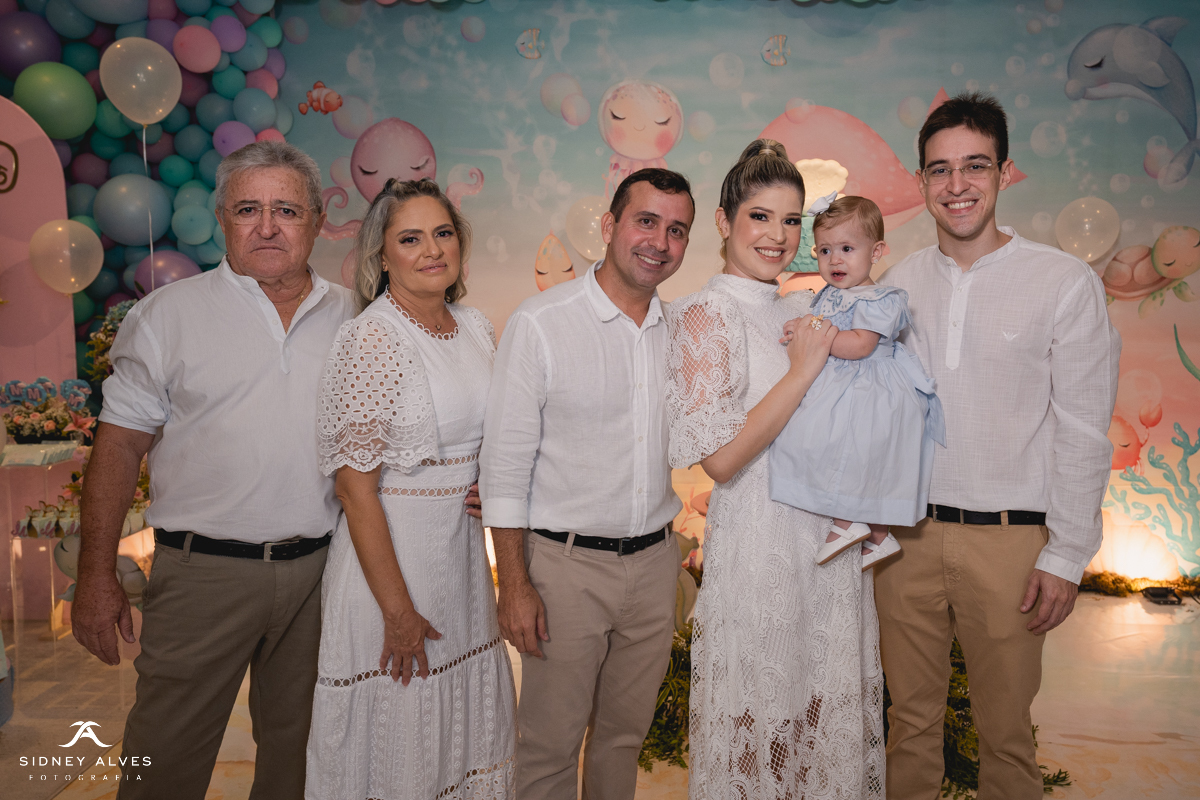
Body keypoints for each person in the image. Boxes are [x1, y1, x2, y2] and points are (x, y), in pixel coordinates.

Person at [71, 140, 356, 799]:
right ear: (222, 218)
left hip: (323, 575)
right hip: (201, 575)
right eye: (248, 209)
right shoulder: (167, 316)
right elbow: (118, 448)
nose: (267, 227)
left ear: (317, 220)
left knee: (303, 761)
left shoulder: (357, 314)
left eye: (287, 210)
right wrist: (95, 575)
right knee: (164, 760)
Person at [876, 93, 1120, 800]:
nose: (957, 185)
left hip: (1011, 544)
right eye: (940, 169)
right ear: (921, 181)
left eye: (975, 166)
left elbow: (1083, 428)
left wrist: (1066, 553)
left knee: (1007, 737)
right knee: (908, 726)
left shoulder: (1062, 281)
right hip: (907, 539)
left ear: (1004, 173)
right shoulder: (899, 285)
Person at [666, 140, 884, 799]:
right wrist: (803, 371)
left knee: (820, 721)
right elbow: (722, 459)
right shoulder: (704, 314)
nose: (778, 235)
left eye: (792, 220)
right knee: (758, 722)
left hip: (827, 545)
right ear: (724, 220)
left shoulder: (801, 309)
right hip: (760, 546)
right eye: (760, 216)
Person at [480, 168, 694, 800]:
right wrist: (515, 584)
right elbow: (505, 467)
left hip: (654, 566)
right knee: (549, 745)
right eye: (646, 221)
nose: (660, 241)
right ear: (609, 225)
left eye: (676, 230)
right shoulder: (542, 323)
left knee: (623, 739)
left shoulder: (683, 331)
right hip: (565, 570)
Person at [306, 178, 514, 799]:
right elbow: (354, 490)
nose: (432, 250)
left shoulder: (476, 327)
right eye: (411, 238)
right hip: (392, 574)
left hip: (462, 566)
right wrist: (397, 613)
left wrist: (490, 481)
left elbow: (493, 434)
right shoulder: (372, 337)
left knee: (461, 745)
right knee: (401, 746)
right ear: (381, 255)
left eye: (443, 233)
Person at [768, 195, 944, 569]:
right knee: (822, 442)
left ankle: (848, 522)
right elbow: (825, 327)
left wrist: (812, 332)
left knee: (851, 450)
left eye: (847, 249)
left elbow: (860, 345)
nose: (835, 260)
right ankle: (878, 537)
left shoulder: (879, 298)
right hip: (846, 382)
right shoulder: (830, 294)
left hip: (869, 386)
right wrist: (803, 327)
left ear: (876, 251)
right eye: (825, 250)